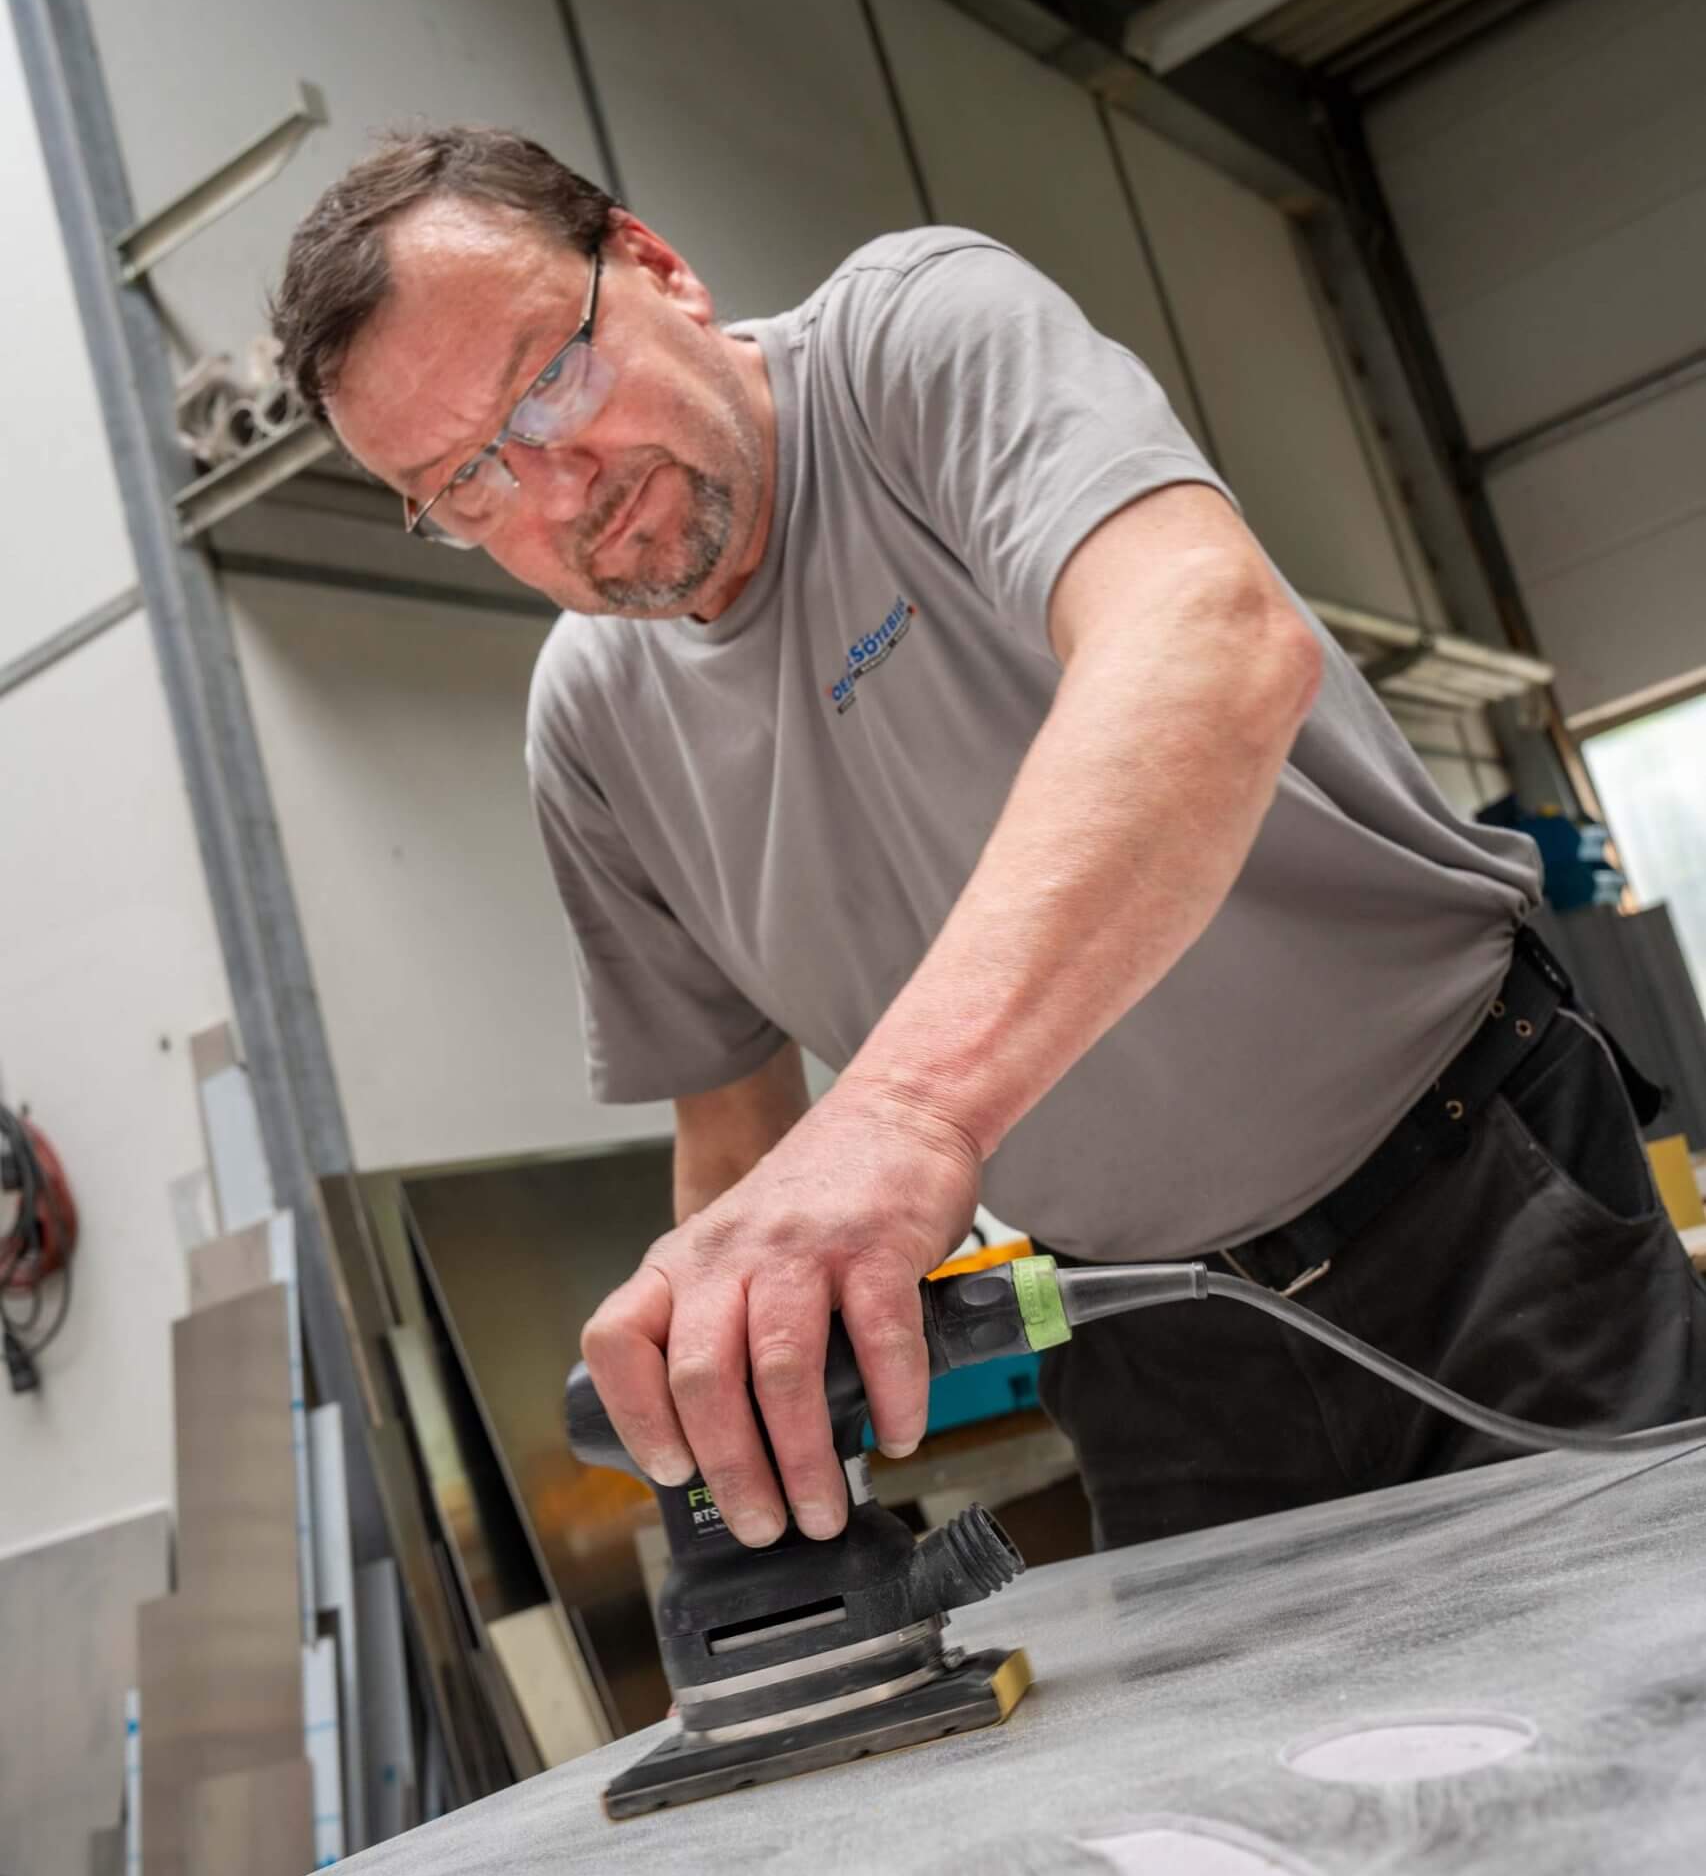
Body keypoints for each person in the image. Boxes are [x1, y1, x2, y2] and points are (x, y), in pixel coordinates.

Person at [273, 126, 1705, 1552]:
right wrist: (737, 1411)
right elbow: (733, 1141)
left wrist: (905, 1116)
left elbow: (1209, 641)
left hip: (1483, 1200)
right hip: (1142, 1339)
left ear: (655, 266)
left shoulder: (912, 342)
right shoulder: (590, 728)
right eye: (466, 483)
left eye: (549, 378)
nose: (556, 487)